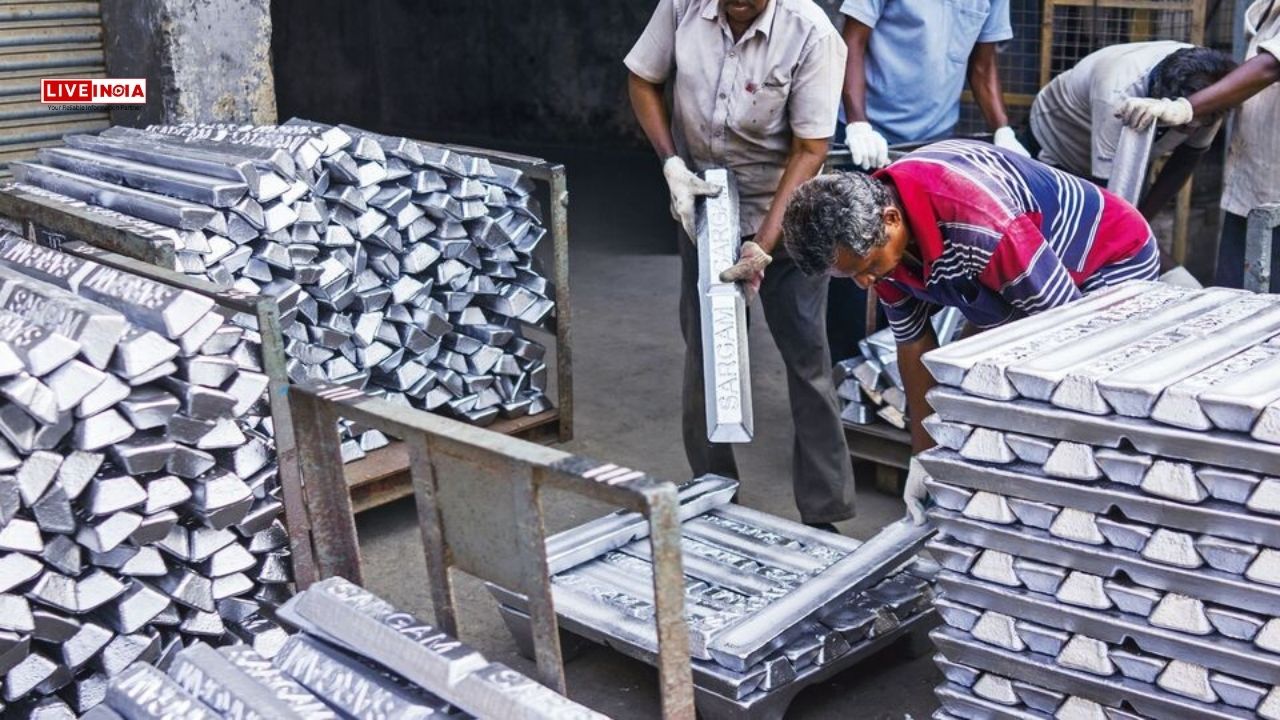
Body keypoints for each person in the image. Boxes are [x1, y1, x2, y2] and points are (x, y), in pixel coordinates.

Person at [780, 140, 1160, 523]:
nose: (865, 283)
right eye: (853, 275)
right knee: (965, 387)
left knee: (1071, 406)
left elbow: (1062, 334)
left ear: (891, 219)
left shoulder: (980, 226)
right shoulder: (878, 245)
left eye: (867, 268)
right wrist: (924, 458)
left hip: (1107, 259)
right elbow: (913, 344)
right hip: (1014, 273)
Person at [626, 0, 857, 530]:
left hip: (788, 212)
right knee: (706, 354)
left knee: (807, 356)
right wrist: (672, 164)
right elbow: (642, 79)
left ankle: (824, 510)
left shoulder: (811, 32)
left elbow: (810, 148)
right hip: (707, 206)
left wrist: (764, 245)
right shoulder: (683, 6)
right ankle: (713, 494)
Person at [826, 0, 1029, 365]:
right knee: (858, 258)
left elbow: (982, 65)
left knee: (917, 259)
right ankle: (848, 370)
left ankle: (896, 370)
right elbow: (852, 41)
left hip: (932, 141)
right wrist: (858, 122)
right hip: (869, 137)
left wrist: (1003, 130)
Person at [1117, 0, 1280, 292]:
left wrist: (1186, 108)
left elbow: (1270, 65)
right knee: (1238, 295)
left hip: (1272, 190)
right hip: (1251, 186)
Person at [1028, 43, 1236, 220]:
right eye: (1184, 125)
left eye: (1201, 122)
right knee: (1056, 226)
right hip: (1057, 139)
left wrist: (1143, 223)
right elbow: (1111, 194)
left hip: (1119, 147)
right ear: (1159, 96)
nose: (1190, 130)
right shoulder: (1118, 94)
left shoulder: (1214, 91)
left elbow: (1185, 160)